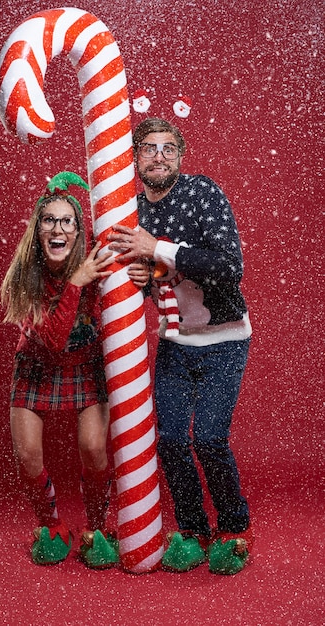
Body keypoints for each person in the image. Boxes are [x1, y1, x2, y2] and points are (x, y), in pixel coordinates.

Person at [108, 118, 253, 575]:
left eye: (168, 149)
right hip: (175, 342)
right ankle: (192, 529)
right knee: (168, 440)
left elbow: (229, 266)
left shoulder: (202, 193)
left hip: (225, 340)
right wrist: (144, 277)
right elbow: (155, 277)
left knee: (209, 438)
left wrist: (159, 250)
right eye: (149, 148)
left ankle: (232, 528)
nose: (158, 156)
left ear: (180, 156)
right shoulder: (131, 212)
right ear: (135, 157)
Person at [1, 171, 120, 569]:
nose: (57, 228)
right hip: (36, 367)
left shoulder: (95, 269)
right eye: (48, 220)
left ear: (77, 230)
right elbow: (52, 339)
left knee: (92, 449)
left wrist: (134, 279)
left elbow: (117, 314)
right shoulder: (25, 277)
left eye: (66, 221)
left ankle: (96, 527)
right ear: (38, 231)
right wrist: (75, 283)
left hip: (84, 366)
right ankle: (50, 526)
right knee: (28, 455)